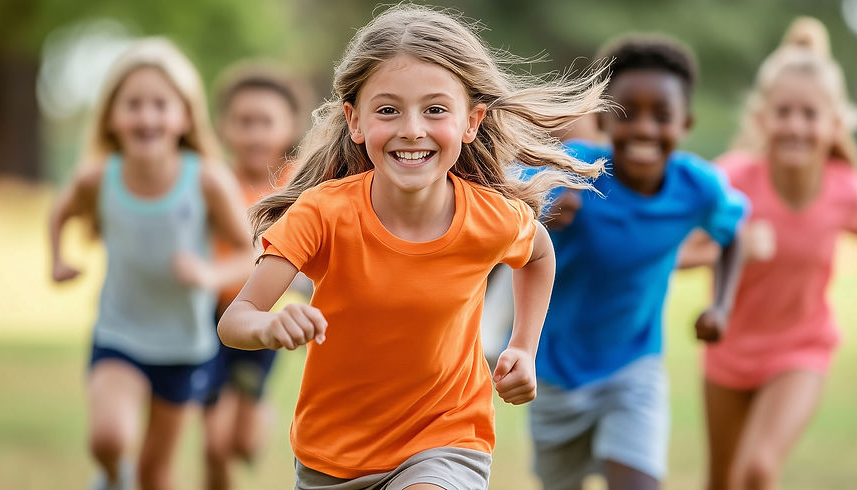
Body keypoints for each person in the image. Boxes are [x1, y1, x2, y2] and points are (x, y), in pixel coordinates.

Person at [216, 4, 612, 489]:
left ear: (471, 121)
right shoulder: (323, 213)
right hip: (332, 457)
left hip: (446, 439)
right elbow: (236, 320)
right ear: (355, 121)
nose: (411, 128)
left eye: (435, 109)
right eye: (388, 110)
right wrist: (270, 324)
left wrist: (524, 347)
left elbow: (539, 253)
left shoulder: (488, 217)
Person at [528, 35, 750, 490]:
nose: (645, 129)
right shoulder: (574, 170)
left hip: (634, 366)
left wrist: (722, 306)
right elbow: (501, 185)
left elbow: (734, 234)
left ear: (685, 122)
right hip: (553, 371)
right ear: (603, 119)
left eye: (661, 115)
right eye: (628, 114)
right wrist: (535, 204)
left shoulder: (697, 186)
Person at [696, 17, 857, 490]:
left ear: (833, 125)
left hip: (801, 348)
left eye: (809, 115)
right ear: (762, 117)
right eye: (783, 112)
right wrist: (729, 250)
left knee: (758, 470)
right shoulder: (732, 181)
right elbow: (686, 245)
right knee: (721, 482)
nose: (795, 126)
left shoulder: (846, 188)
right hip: (727, 350)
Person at [48, 38, 252, 490]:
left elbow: (250, 252)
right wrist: (58, 259)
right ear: (112, 118)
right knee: (108, 437)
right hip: (120, 333)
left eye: (161, 104)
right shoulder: (97, 178)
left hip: (184, 345)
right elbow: (59, 212)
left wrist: (209, 275)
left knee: (156, 474)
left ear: (184, 117)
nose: (147, 116)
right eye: (133, 104)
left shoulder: (206, 180)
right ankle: (110, 475)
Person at [202, 62, 313, 490]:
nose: (254, 134)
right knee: (214, 443)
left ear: (288, 127)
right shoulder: (213, 182)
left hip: (261, 319)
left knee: (243, 442)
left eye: (265, 122)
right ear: (223, 127)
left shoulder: (299, 185)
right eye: (243, 122)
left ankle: (255, 412)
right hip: (209, 319)